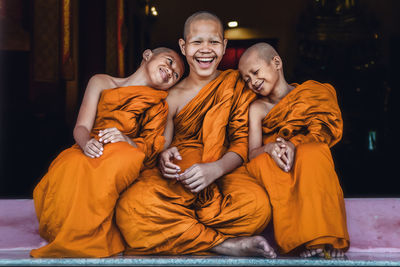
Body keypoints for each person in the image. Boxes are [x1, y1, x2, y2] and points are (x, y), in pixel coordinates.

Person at [116, 11, 277, 258]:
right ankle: (222, 244)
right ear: (183, 46)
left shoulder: (235, 84)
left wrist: (216, 169)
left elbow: (241, 142)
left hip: (225, 172)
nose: (205, 50)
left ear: (224, 47)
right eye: (196, 42)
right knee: (132, 206)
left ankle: (182, 231)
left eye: (213, 42)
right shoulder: (170, 94)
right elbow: (161, 144)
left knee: (258, 207)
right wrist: (164, 157)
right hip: (180, 178)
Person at [30, 47, 184, 258]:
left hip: (126, 153)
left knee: (125, 156)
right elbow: (81, 127)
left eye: (176, 75)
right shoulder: (101, 82)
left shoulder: (161, 103)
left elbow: (156, 146)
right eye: (169, 61)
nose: (170, 71)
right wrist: (87, 144)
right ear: (147, 55)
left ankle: (85, 238)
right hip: (90, 147)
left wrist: (129, 140)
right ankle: (71, 234)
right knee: (70, 165)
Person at [238, 42, 350, 258]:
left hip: (306, 158)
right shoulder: (258, 108)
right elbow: (252, 153)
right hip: (272, 162)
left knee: (314, 152)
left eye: (255, 72)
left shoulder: (311, 94)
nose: (253, 82)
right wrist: (270, 148)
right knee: (265, 163)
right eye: (247, 79)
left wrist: (293, 144)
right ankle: (302, 242)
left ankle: (326, 237)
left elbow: (323, 134)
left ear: (276, 62)